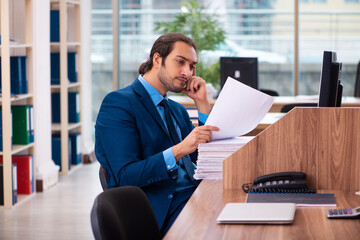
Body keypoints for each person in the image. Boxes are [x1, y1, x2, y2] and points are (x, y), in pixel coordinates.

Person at [95, 32, 219, 235]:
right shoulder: (118, 103)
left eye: (192, 66)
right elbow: (126, 176)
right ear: (157, 59)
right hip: (162, 211)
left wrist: (202, 104)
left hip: (195, 198)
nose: (187, 72)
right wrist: (179, 150)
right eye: (180, 62)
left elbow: (205, 162)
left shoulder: (176, 109)